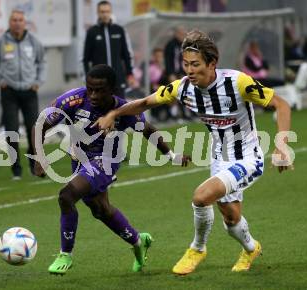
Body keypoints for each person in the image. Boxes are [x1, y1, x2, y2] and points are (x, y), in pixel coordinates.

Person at [93, 30, 293, 274]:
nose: (189, 70)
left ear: (212, 63)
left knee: (201, 197)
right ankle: (251, 248)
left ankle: (197, 248)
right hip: (219, 157)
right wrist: (114, 113)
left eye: (195, 64)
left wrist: (282, 145)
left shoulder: (238, 82)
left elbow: (281, 104)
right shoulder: (183, 88)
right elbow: (146, 102)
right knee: (230, 219)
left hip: (248, 157)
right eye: (185, 64)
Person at [32, 64, 191, 275]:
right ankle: (138, 241)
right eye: (90, 89)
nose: (93, 95)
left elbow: (148, 130)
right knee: (101, 210)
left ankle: (65, 254)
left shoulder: (124, 110)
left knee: (66, 196)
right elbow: (40, 124)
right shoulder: (74, 100)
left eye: (99, 90)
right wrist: (39, 158)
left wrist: (172, 156)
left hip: (105, 161)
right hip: (79, 159)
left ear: (112, 89)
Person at [0, 9, 46, 179]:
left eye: (20, 20)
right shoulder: (1, 42)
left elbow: (42, 62)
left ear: (24, 23)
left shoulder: (33, 42)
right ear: (9, 23)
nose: (17, 23)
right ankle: (16, 169)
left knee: (34, 130)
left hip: (29, 91)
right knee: (11, 131)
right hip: (8, 91)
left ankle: (34, 166)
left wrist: (38, 82)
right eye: (14, 20)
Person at [82, 1, 136, 98]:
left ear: (111, 12)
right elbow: (85, 59)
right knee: (101, 112)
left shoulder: (119, 30)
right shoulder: (92, 32)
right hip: (99, 83)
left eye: (107, 11)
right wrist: (88, 78)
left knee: (120, 110)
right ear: (98, 13)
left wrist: (130, 74)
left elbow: (127, 55)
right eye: (102, 12)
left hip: (118, 81)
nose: (105, 14)